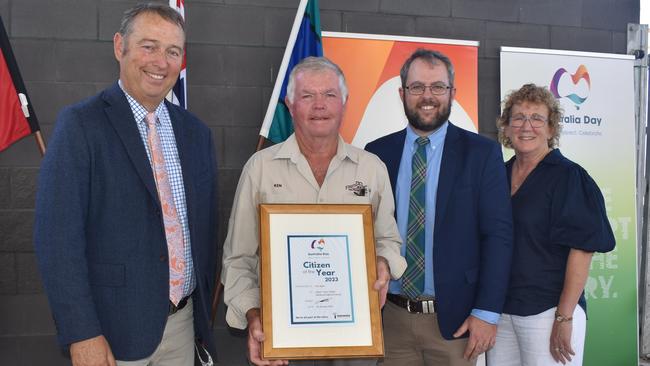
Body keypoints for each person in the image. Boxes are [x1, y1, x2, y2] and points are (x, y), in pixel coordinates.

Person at [33, 3, 218, 365]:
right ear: (120, 47)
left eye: (172, 51)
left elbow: (205, 231)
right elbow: (57, 240)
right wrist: (81, 332)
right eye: (148, 46)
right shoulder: (81, 126)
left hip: (183, 328)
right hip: (111, 336)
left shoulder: (196, 134)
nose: (160, 62)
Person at [221, 56, 406, 366]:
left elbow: (388, 239)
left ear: (345, 102)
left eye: (329, 95)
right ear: (290, 105)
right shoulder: (260, 169)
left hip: (355, 340)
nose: (319, 105)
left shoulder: (372, 169)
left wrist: (384, 262)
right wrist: (254, 315)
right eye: (307, 96)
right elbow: (238, 258)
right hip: (282, 342)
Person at [365, 48, 513, 366]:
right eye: (417, 87)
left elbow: (498, 238)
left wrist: (486, 313)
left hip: (455, 324)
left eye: (438, 87)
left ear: (452, 93)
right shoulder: (376, 153)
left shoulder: (482, 154)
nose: (427, 96)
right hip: (390, 319)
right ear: (402, 93)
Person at [486, 83, 615, 365]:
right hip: (502, 311)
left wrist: (564, 316)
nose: (526, 126)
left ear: (551, 128)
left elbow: (582, 250)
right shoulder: (497, 175)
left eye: (537, 119)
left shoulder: (570, 178)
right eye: (518, 118)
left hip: (548, 311)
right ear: (506, 128)